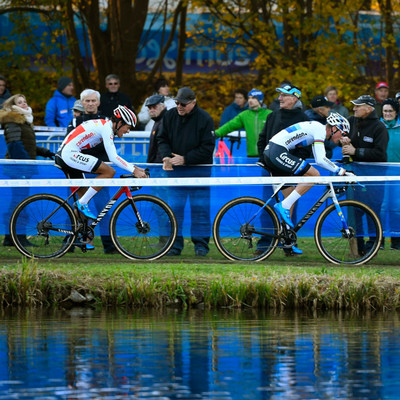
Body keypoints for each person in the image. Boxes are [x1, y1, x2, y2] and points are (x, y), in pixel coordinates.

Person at [55, 105, 147, 243]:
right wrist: (134, 170)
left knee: (84, 195)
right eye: (127, 127)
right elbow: (113, 158)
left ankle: (80, 237)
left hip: (68, 155)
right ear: (119, 122)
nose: (128, 131)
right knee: (109, 172)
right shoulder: (106, 128)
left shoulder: (105, 126)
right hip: (69, 155)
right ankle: (82, 205)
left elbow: (115, 157)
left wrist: (135, 168)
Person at [263, 113, 351, 231]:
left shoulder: (317, 129)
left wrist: (337, 170)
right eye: (343, 133)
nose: (342, 137)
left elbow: (319, 157)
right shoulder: (319, 130)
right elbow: (320, 160)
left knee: (290, 196)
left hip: (273, 151)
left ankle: (287, 237)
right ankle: (283, 206)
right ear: (334, 128)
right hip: (276, 151)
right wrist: (340, 171)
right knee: (314, 175)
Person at [158, 87, 215, 257]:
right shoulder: (169, 116)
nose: (179, 106)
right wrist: (166, 157)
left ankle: (201, 246)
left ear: (193, 103)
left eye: (183, 103)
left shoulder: (205, 119)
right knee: (174, 209)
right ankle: (174, 245)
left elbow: (207, 148)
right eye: (177, 103)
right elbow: (162, 139)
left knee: (201, 210)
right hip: (175, 172)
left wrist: (186, 159)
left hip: (200, 172)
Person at [257, 83, 310, 255]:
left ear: (294, 98)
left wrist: (292, 163)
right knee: (268, 205)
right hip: (270, 169)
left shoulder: (303, 119)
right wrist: (265, 160)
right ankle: (264, 244)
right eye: (279, 95)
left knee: (289, 205)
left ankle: (288, 244)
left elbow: (305, 148)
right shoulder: (273, 116)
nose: (279, 98)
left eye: (283, 95)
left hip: (290, 169)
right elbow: (262, 140)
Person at [66, 88, 117, 254]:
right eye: (87, 101)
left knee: (103, 208)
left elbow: (106, 146)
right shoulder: (74, 122)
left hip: (99, 171)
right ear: (82, 103)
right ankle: (71, 242)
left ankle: (110, 245)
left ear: (99, 102)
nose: (90, 104)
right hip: (77, 170)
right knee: (76, 208)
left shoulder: (107, 121)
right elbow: (71, 147)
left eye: (93, 100)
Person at [0, 94, 54, 246]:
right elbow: (14, 145)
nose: (24, 104)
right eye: (20, 102)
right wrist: (25, 166)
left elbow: (28, 146)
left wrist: (47, 153)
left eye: (25, 101)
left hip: (23, 167)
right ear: (13, 105)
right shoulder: (13, 120)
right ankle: (18, 237)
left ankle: (11, 238)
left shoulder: (24, 121)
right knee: (19, 203)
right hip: (18, 169)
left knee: (18, 202)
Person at [341, 94, 388, 253]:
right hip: (354, 175)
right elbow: (341, 133)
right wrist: (344, 140)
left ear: (369, 109)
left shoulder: (379, 127)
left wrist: (356, 151)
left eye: (358, 106)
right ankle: (357, 247)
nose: (354, 108)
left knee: (372, 210)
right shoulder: (351, 121)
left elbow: (380, 154)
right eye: (354, 105)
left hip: (374, 177)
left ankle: (374, 245)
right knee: (354, 211)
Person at [215, 89, 271, 157]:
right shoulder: (244, 115)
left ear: (260, 100)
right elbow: (229, 126)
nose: (250, 100)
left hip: (267, 155)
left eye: (253, 98)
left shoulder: (270, 114)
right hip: (251, 156)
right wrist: (216, 133)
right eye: (249, 98)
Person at [380, 98, 400, 250]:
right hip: (378, 172)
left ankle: (396, 240)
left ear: (396, 112)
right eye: (385, 111)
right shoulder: (378, 126)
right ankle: (378, 239)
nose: (387, 114)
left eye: (390, 111)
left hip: (397, 173)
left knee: (396, 206)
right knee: (380, 206)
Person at [145, 94, 167, 163]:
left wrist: (155, 168)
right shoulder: (158, 120)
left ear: (162, 106)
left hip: (160, 168)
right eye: (149, 108)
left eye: (154, 107)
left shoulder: (165, 121)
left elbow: (162, 148)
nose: (151, 110)